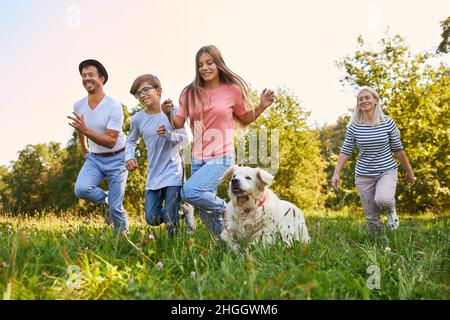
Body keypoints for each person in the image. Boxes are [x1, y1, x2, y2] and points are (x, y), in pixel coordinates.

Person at [167, 45, 275, 236]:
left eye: (209, 62)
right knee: (205, 209)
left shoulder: (231, 90)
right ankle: (224, 245)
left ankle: (228, 209)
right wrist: (167, 112)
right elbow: (177, 123)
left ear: (218, 64)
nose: (205, 68)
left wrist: (261, 106)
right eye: (200, 64)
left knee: (190, 193)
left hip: (222, 156)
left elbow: (244, 118)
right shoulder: (189, 93)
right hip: (198, 157)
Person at [331, 86, 415, 235]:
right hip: (364, 174)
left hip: (386, 170)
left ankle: (390, 211)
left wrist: (409, 171)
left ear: (376, 100)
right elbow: (346, 151)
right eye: (360, 99)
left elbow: (398, 150)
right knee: (371, 217)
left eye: (367, 98)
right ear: (357, 103)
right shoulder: (353, 126)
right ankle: (379, 245)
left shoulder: (388, 123)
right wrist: (336, 173)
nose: (364, 101)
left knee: (383, 199)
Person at [125, 74, 191, 236]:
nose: (141, 95)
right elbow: (130, 141)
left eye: (145, 90)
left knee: (170, 222)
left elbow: (186, 139)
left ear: (159, 90)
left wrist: (168, 134)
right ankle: (182, 210)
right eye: (137, 93)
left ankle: (174, 247)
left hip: (173, 172)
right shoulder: (137, 119)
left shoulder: (173, 111)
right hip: (153, 175)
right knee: (152, 218)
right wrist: (129, 157)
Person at [68, 59, 129, 235]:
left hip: (118, 158)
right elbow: (80, 128)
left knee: (116, 209)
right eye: (84, 75)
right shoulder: (78, 105)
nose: (87, 78)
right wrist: (84, 149)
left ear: (101, 78)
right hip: (95, 158)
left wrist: (85, 130)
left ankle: (122, 239)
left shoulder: (113, 106)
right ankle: (111, 198)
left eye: (91, 75)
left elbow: (111, 140)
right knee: (81, 189)